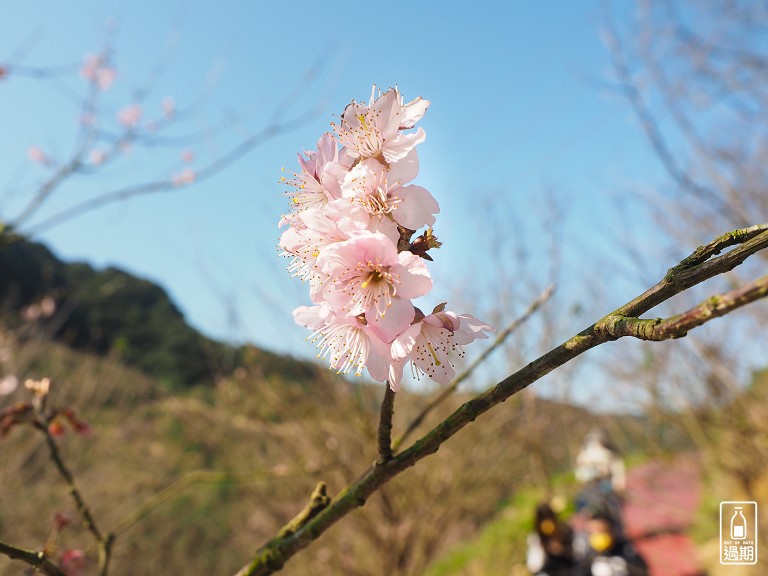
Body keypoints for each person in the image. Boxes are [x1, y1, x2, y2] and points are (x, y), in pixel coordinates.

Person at [573, 510, 649, 576]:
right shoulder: (587, 556)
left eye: (601, 531)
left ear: (611, 531)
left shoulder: (626, 550)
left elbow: (642, 571)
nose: (598, 535)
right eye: (593, 532)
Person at [526, 502, 578, 576]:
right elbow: (534, 565)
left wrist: (563, 550)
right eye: (543, 519)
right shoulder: (536, 538)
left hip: (568, 570)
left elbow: (576, 554)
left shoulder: (565, 531)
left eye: (549, 518)